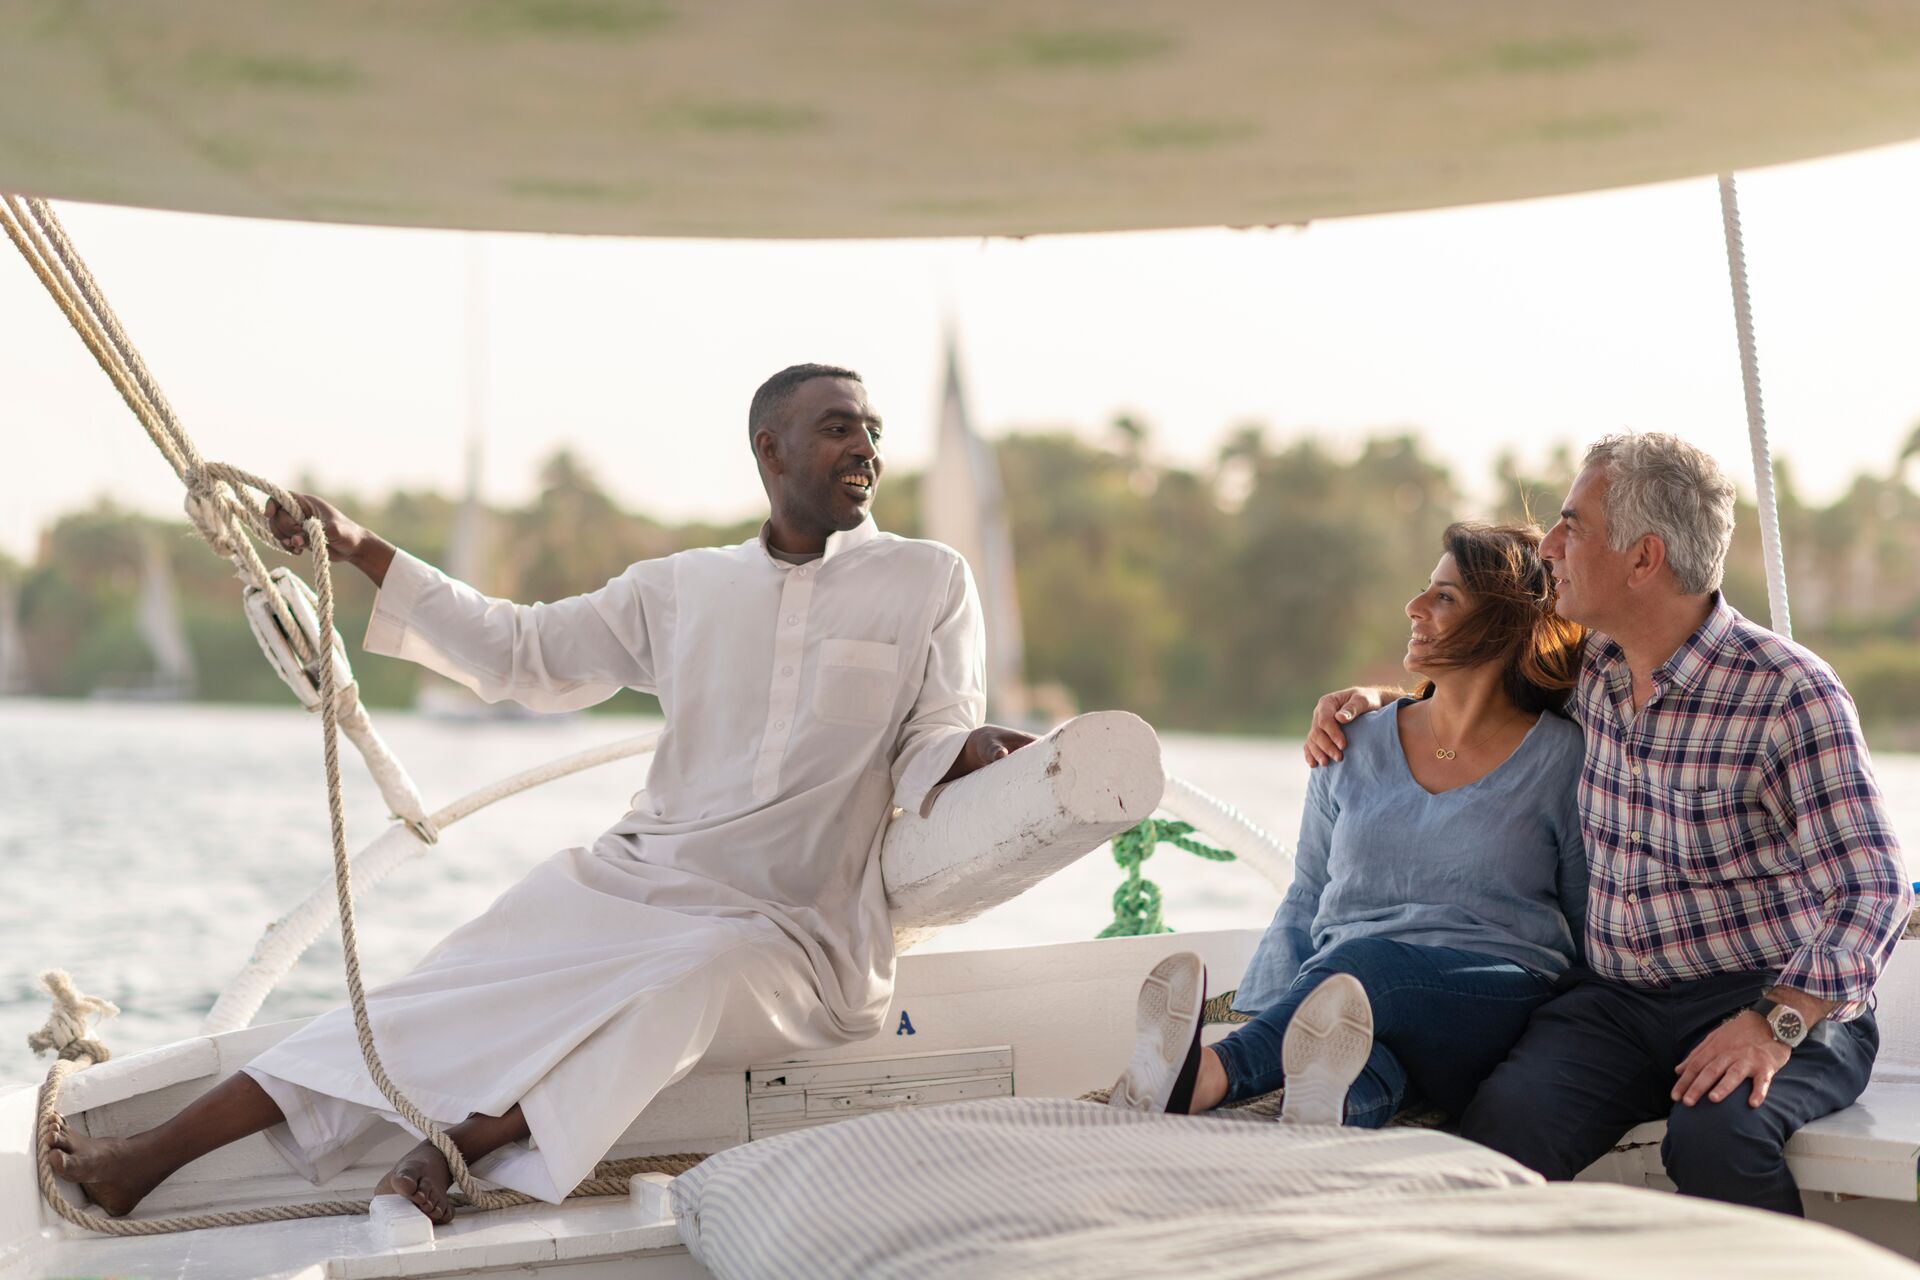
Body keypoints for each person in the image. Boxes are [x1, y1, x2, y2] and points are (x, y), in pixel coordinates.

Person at [49, 364, 1036, 1224]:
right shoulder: (684, 586)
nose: (864, 445)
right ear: (768, 447)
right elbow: (518, 651)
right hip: (630, 879)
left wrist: (976, 752)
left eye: (871, 427)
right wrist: (358, 545)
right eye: (838, 426)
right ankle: (146, 1157)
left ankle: (452, 1152)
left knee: (681, 980)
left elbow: (936, 730)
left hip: (794, 927)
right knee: (425, 994)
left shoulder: (927, 580)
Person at [1304, 432, 1909, 1214]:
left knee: (1714, 1137)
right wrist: (1372, 701)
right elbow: (1470, 695)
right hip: (1615, 1005)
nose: (1550, 547)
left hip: (1774, 998)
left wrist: (1773, 1023)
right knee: (1498, 1133)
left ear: (1643, 559)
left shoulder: (1789, 693)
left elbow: (1874, 888)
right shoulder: (1588, 667)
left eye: (1572, 527)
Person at [1109, 521, 1589, 1127]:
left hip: (1492, 999)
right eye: (1425, 589)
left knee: (1369, 973)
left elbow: (1586, 921)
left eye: (1445, 597)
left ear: (1503, 623)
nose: (1414, 607)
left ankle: (1203, 1073)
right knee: (1351, 1058)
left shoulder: (1563, 758)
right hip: (1344, 999)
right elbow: (1308, 892)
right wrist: (1265, 1010)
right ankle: (1325, 1115)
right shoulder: (1352, 740)